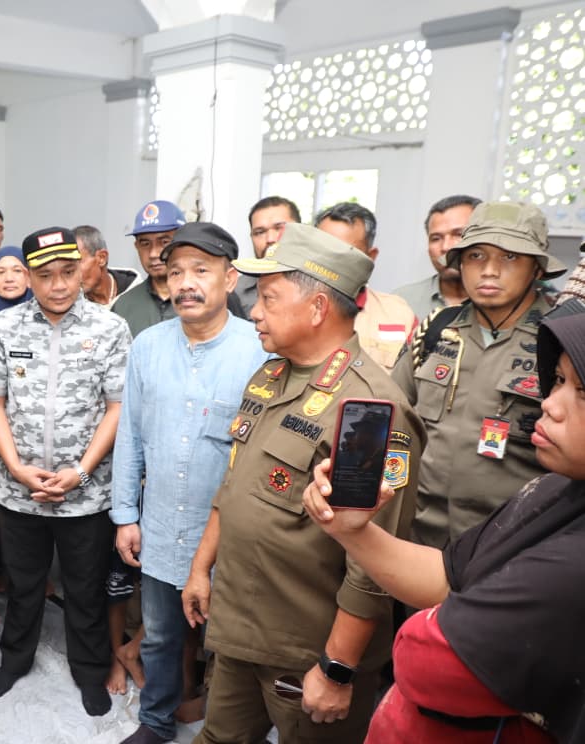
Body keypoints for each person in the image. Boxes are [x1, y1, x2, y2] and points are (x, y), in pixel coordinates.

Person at [182, 222, 426, 744]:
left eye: (269, 298)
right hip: (240, 627)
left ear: (317, 308)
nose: (253, 311)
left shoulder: (368, 412)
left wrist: (337, 669)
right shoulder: (271, 377)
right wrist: (202, 568)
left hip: (305, 652)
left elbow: (372, 568)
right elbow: (235, 487)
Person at [302, 309, 585, 743]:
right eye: (559, 381)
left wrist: (426, 626)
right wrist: (351, 530)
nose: (549, 403)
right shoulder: (556, 488)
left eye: (581, 392)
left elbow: (426, 658)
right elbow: (445, 577)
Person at [111, 222, 270, 744]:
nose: (186, 283)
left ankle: (228, 729)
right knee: (158, 637)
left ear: (230, 277)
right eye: (176, 271)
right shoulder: (149, 346)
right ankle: (155, 723)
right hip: (160, 522)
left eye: (201, 270)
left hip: (231, 534)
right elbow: (129, 435)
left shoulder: (260, 352)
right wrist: (125, 516)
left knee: (230, 642)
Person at [0, 226, 131, 716]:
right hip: (19, 492)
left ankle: (90, 671)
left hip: (86, 493)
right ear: (29, 277)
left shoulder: (109, 329)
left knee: (85, 587)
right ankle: (15, 659)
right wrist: (16, 468)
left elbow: (118, 408)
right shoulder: (5, 327)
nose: (59, 285)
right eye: (46, 275)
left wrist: (80, 472)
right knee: (23, 583)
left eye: (68, 272)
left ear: (83, 269)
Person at [392, 201, 564, 550]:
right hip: (421, 541)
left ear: (537, 269)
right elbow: (389, 415)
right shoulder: (437, 330)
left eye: (510, 257)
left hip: (515, 547)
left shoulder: (562, 338)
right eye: (475, 256)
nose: (489, 270)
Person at [315, 202, 418, 370]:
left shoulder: (398, 313)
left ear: (371, 256)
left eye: (347, 253)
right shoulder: (292, 309)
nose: (333, 262)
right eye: (324, 250)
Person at [394, 195, 481, 319]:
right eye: (436, 238)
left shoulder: (506, 302)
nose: (445, 247)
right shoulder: (402, 301)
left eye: (458, 234)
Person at [113, 200, 186, 338]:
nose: (153, 253)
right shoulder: (123, 306)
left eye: (164, 242)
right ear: (137, 247)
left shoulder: (205, 297)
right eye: (145, 244)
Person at [237, 196, 302, 315]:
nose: (270, 239)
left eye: (279, 228)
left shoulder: (323, 284)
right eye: (260, 232)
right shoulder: (235, 292)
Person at [75, 225, 138, 308]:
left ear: (102, 258)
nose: (72, 274)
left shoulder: (141, 295)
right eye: (68, 267)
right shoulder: (72, 308)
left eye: (77, 262)